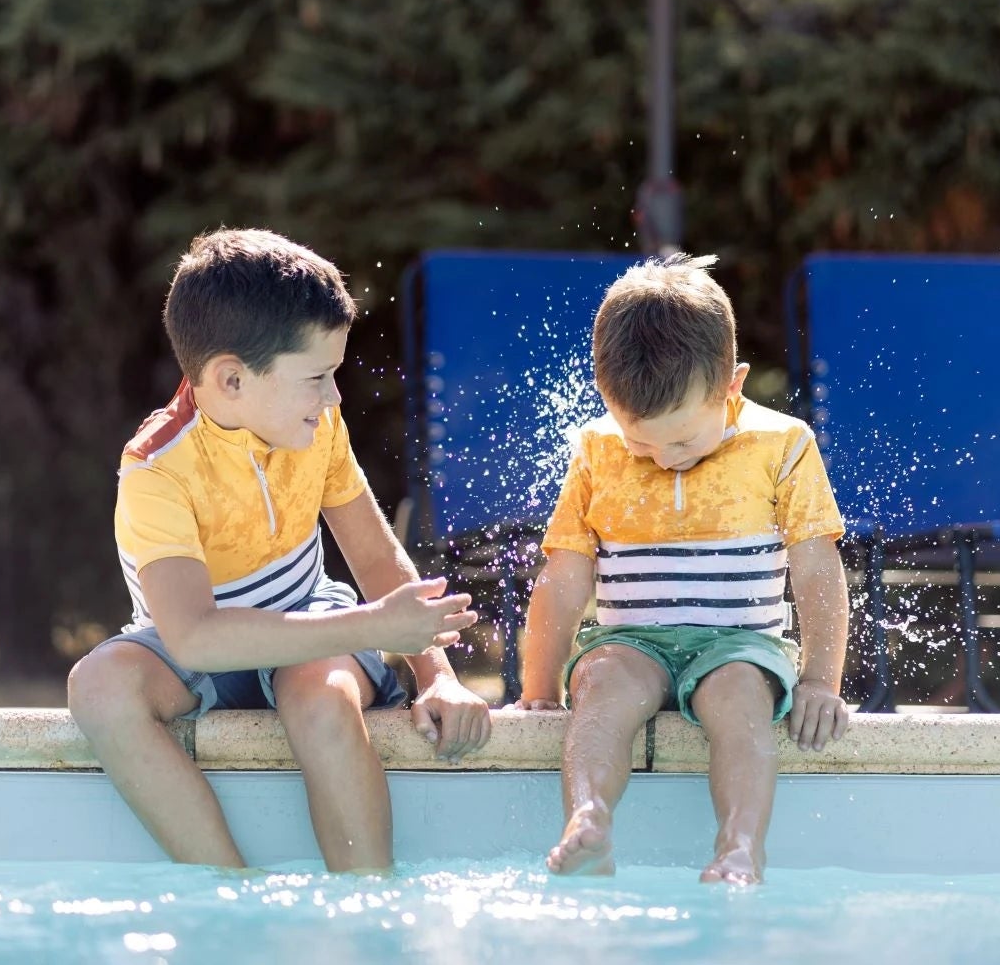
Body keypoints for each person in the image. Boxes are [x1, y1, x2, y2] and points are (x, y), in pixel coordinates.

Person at [68, 228, 492, 871]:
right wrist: (377, 625)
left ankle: (369, 903)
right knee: (99, 687)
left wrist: (437, 676)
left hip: (308, 620)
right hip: (200, 648)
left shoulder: (317, 425)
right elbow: (194, 640)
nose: (334, 396)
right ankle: (229, 893)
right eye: (317, 377)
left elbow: (376, 558)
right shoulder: (157, 470)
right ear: (231, 379)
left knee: (319, 695)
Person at [515, 253, 851, 884]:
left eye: (683, 440)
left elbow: (816, 572)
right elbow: (563, 580)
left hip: (740, 645)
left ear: (733, 385)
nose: (662, 458)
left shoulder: (782, 446)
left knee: (739, 699)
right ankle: (588, 822)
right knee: (600, 687)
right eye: (642, 441)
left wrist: (821, 681)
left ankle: (739, 848)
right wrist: (536, 692)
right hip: (630, 641)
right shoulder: (597, 451)